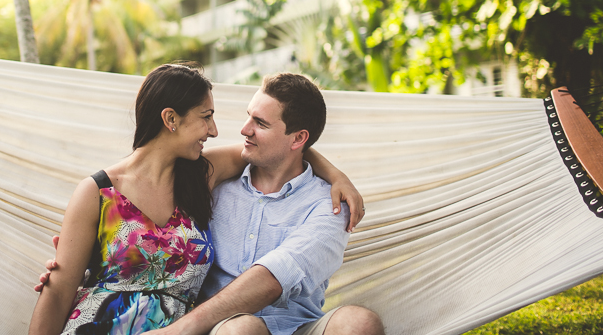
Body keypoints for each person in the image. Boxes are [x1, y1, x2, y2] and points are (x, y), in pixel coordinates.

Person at [28, 64, 361, 335]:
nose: (216, 130)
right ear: (171, 119)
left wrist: (335, 175)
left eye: (212, 117)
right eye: (206, 116)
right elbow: (58, 291)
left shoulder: (202, 176)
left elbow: (285, 150)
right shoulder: (97, 191)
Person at [145, 73, 384, 335]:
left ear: (298, 139)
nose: (244, 129)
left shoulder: (330, 204)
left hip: (299, 328)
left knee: (359, 323)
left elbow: (272, 278)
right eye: (249, 116)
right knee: (241, 330)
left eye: (260, 123)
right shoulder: (216, 182)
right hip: (220, 329)